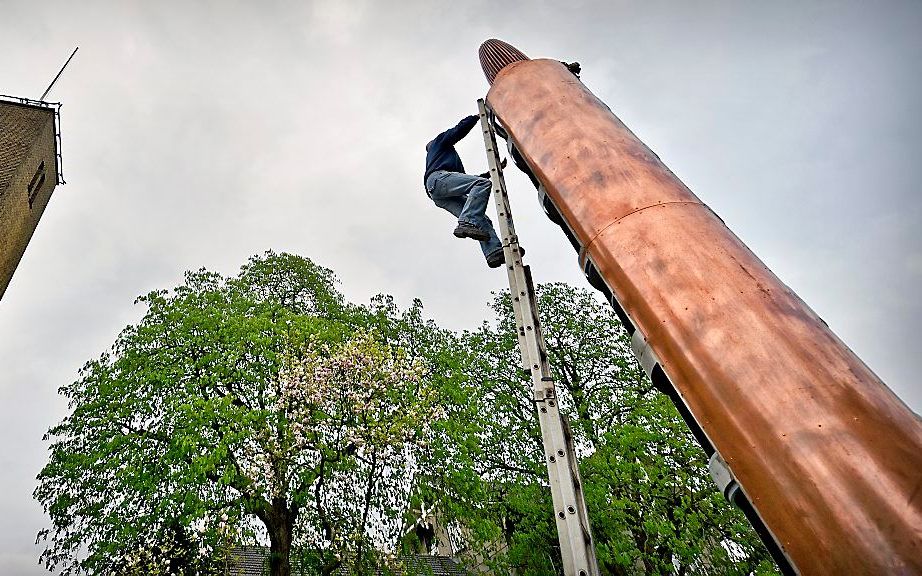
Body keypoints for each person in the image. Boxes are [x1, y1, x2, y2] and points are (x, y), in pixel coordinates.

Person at [424, 114, 509, 268]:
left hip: (439, 193)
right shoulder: (439, 143)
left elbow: (466, 180)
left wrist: (491, 173)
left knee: (481, 217)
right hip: (437, 180)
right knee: (482, 187)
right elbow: (457, 131)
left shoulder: (443, 159)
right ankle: (467, 222)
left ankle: (493, 252)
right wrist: (475, 117)